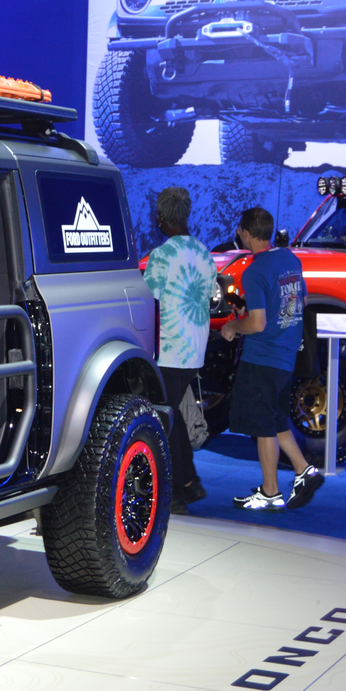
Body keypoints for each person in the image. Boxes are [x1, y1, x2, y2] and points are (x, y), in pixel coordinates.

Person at [220, 207, 321, 512]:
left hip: (262, 358)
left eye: (240, 231)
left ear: (247, 233)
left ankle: (270, 492)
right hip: (286, 355)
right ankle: (305, 471)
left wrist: (232, 327)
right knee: (277, 421)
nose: (238, 235)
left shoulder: (254, 271)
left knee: (263, 426)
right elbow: (299, 301)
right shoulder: (290, 259)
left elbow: (258, 324)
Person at [140, 187, 216, 512]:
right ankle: (190, 483)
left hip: (168, 350)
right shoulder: (204, 252)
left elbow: (147, 299)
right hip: (195, 349)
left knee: (166, 420)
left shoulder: (162, 255)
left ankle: (177, 495)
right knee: (175, 416)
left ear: (160, 217)